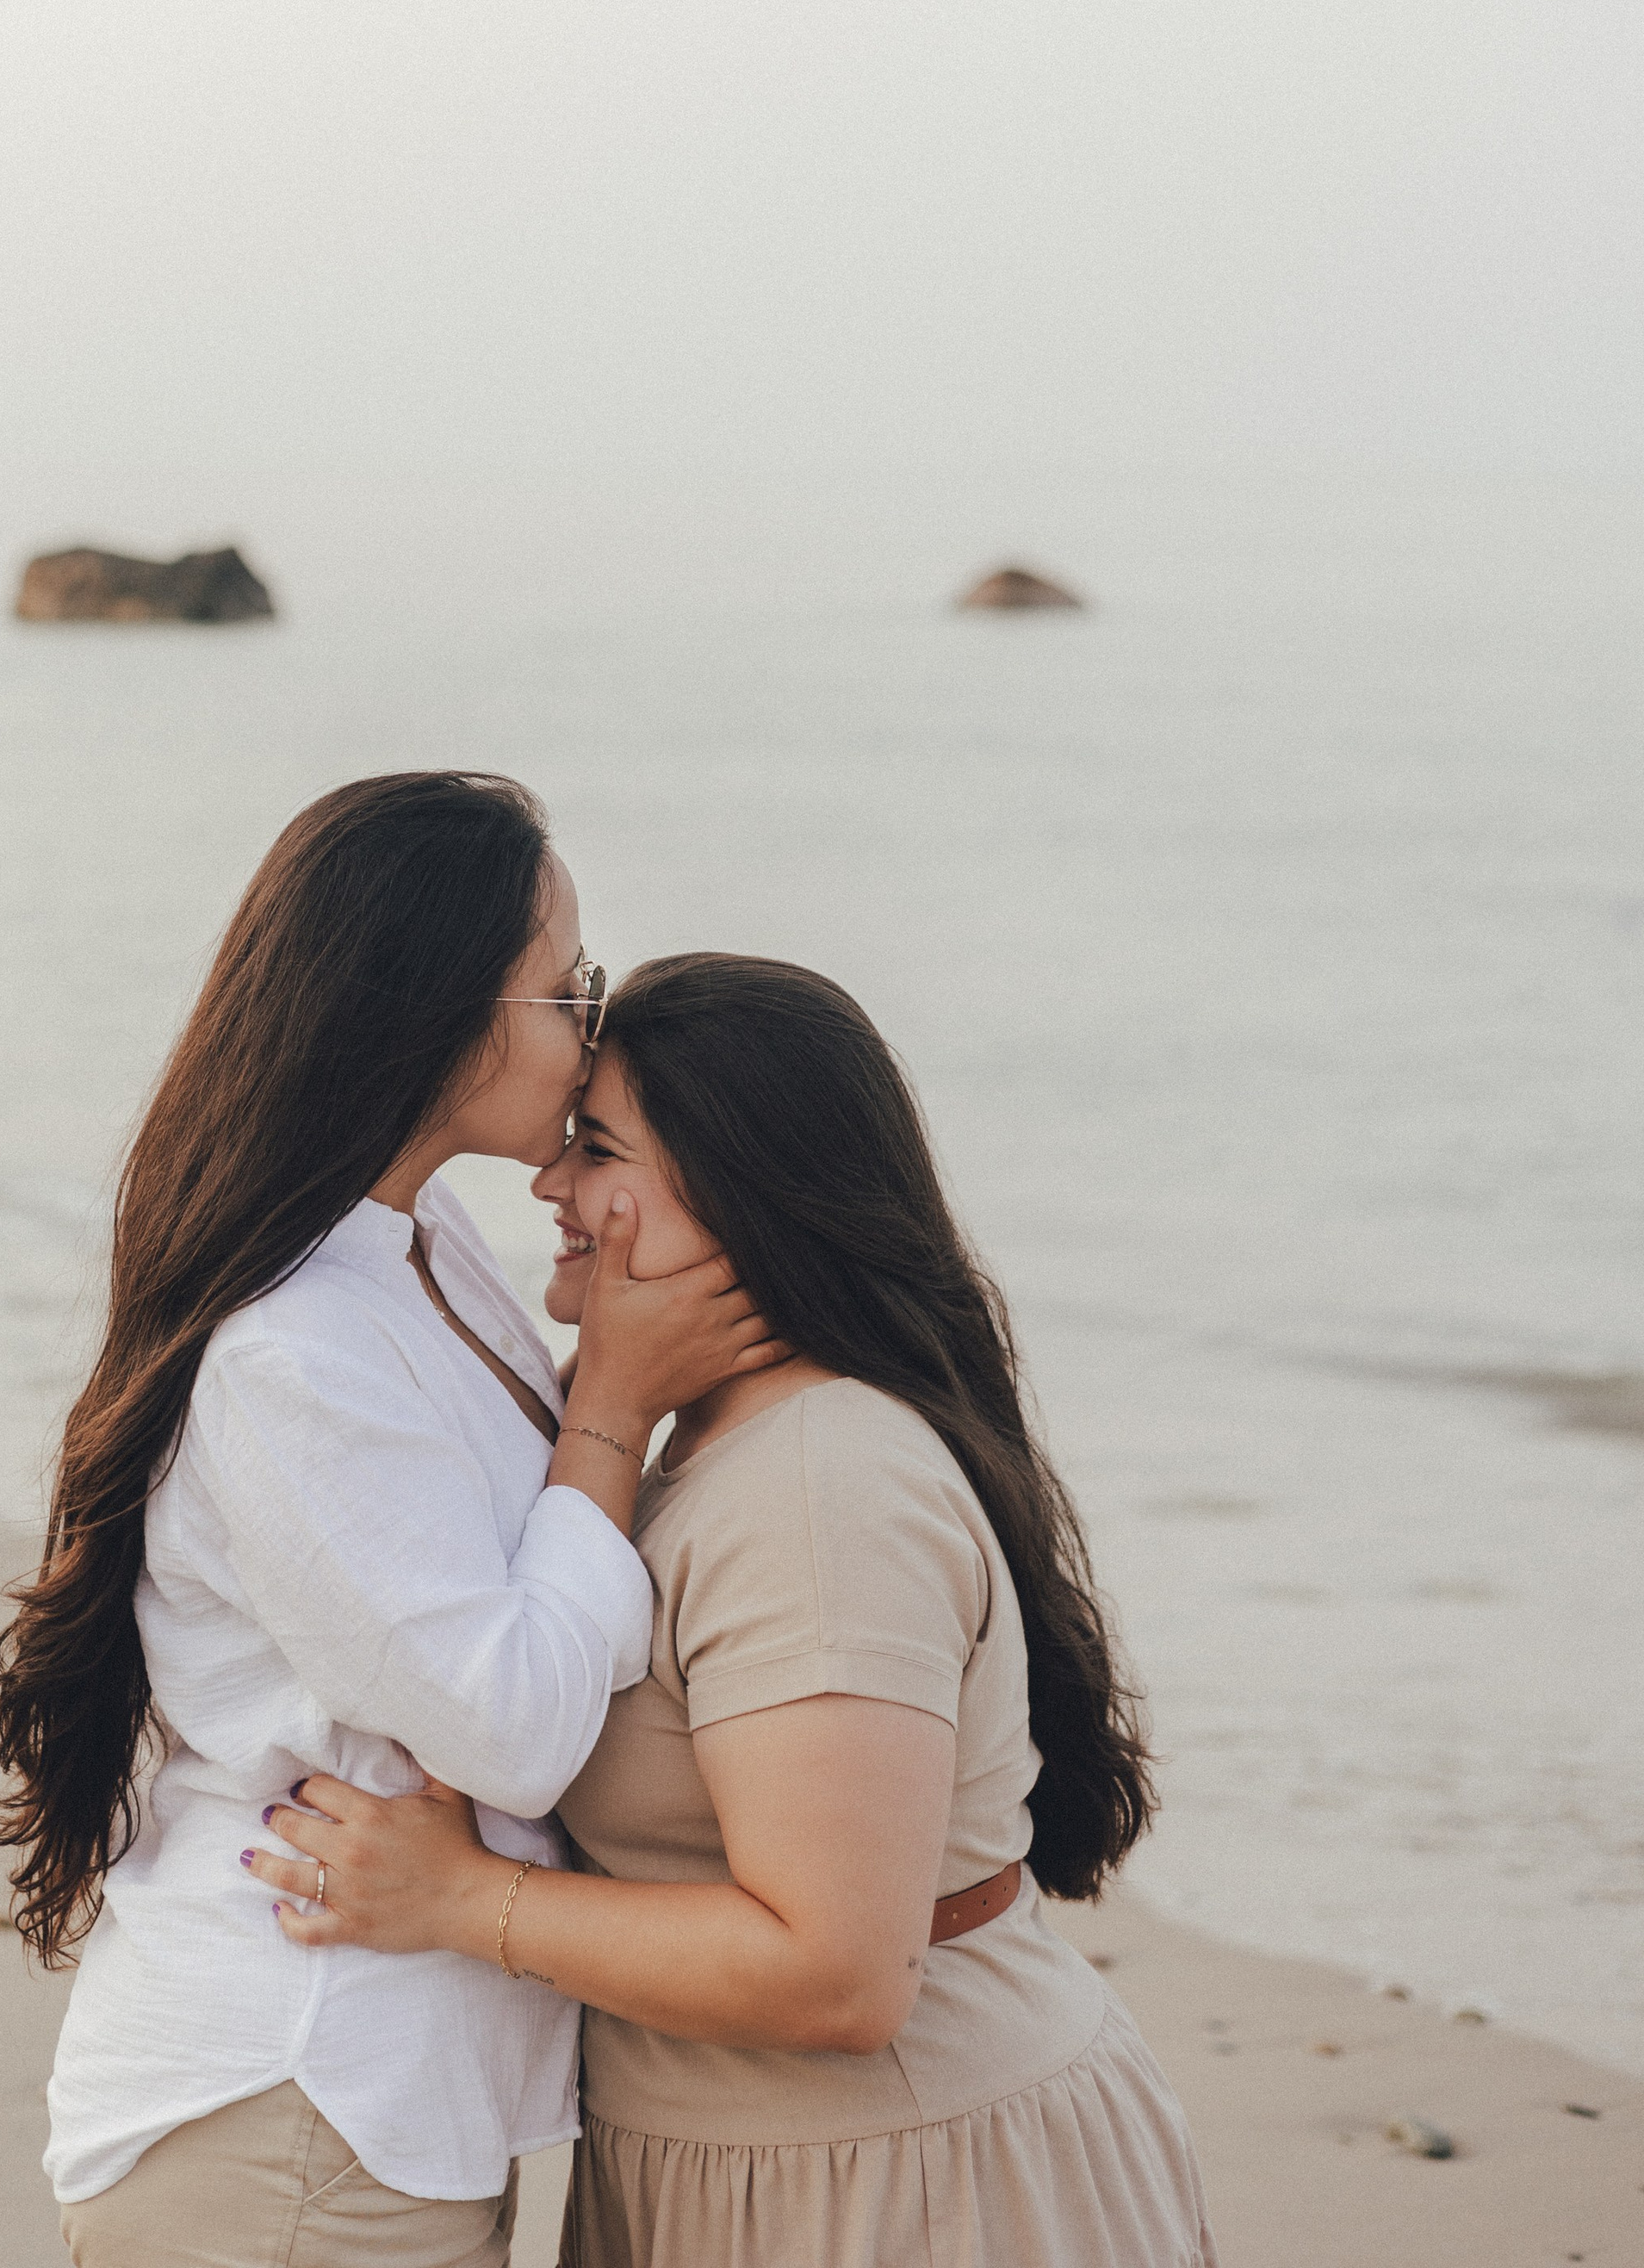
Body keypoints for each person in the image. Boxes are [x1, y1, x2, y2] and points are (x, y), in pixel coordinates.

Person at [247, 953, 1219, 2268]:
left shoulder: (817, 1488)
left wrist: (459, 1903)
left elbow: (836, 1971)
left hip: (898, 2189)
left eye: (599, 1149)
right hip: (744, 2161)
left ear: (744, 1188)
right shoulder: (707, 1445)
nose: (551, 1186)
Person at [0, 780, 784, 2268]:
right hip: (294, 2098)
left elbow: (512, 1559)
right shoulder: (296, 1350)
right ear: (444, 1016)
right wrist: (613, 1401)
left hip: (375, 2098)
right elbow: (512, 1729)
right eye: (569, 989)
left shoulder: (417, 1256)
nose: (592, 1034)